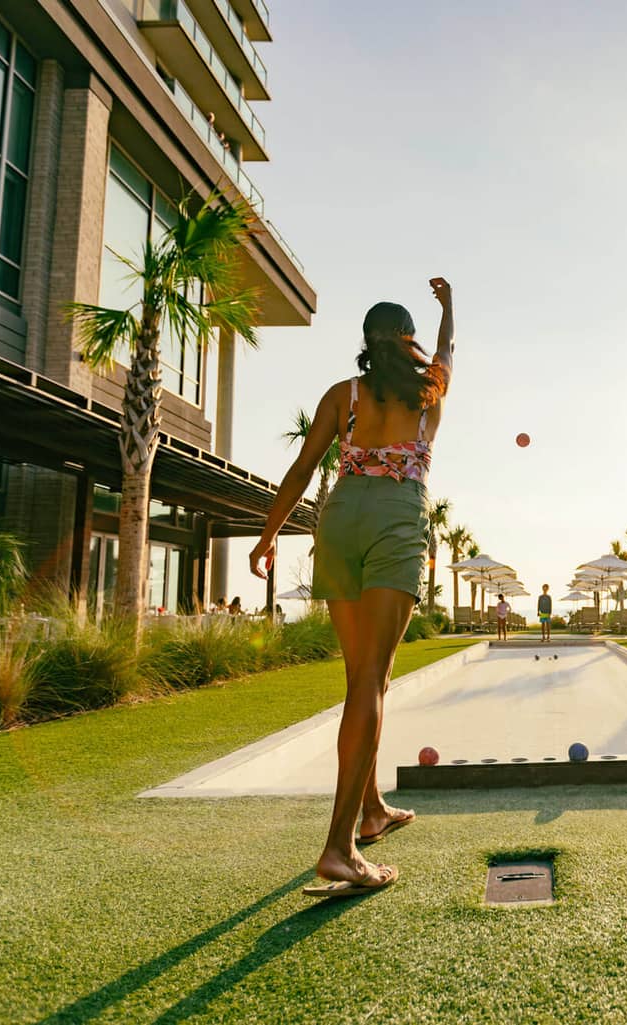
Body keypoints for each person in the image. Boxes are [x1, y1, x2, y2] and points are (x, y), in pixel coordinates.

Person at [251, 276, 455, 898]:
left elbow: (302, 466)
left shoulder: (345, 396)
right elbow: (450, 352)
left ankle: (371, 812)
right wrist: (451, 310)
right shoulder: (430, 392)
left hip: (338, 522)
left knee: (360, 676)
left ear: (367, 342)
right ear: (408, 341)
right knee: (372, 679)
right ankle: (339, 848)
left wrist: (267, 536)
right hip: (396, 519)